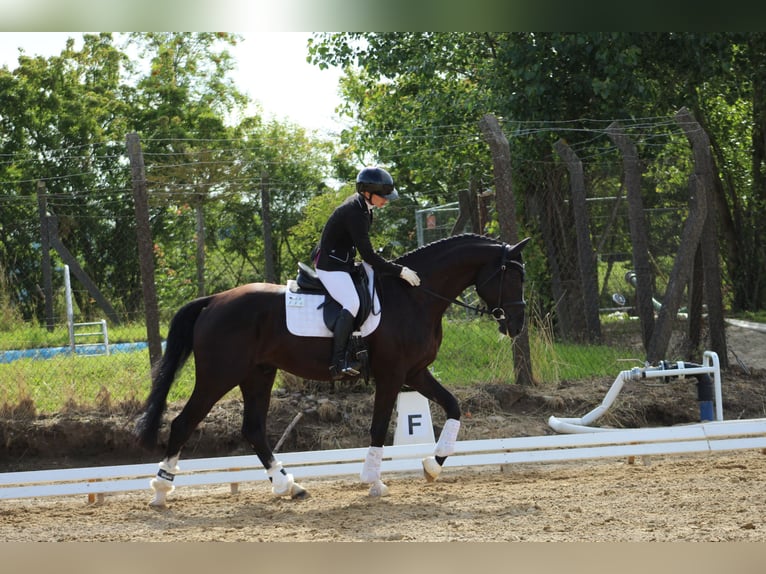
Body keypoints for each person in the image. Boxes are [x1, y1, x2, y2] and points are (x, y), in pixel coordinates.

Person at [314, 166, 421, 380]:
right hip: (330, 266)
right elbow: (369, 255)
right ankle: (338, 361)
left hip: (343, 262)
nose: (387, 200)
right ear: (367, 192)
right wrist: (399, 271)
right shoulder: (356, 212)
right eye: (383, 196)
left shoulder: (364, 208)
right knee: (352, 302)